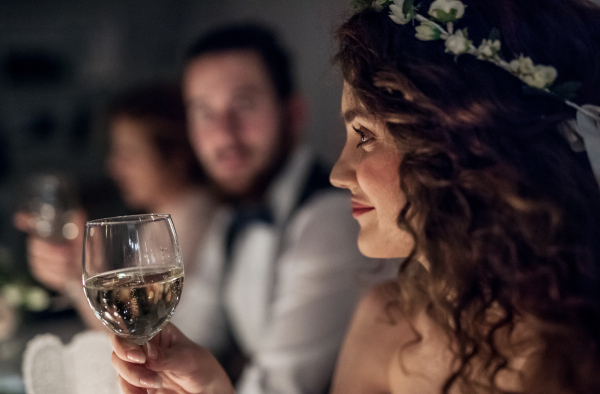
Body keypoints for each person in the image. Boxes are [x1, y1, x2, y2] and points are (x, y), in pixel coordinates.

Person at [109, 0, 600, 393]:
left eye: (363, 136)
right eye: (203, 113)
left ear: (460, 142)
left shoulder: (577, 349)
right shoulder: (386, 318)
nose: (340, 173)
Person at [169, 23, 391, 393]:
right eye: (204, 112)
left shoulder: (334, 217)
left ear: (293, 113)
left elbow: (278, 388)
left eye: (244, 104)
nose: (224, 133)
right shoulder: (232, 214)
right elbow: (185, 336)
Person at [16, 83, 217, 330]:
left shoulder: (192, 217)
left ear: (176, 156)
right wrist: (77, 271)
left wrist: (81, 274)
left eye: (128, 153)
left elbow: (139, 329)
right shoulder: (163, 218)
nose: (113, 166)